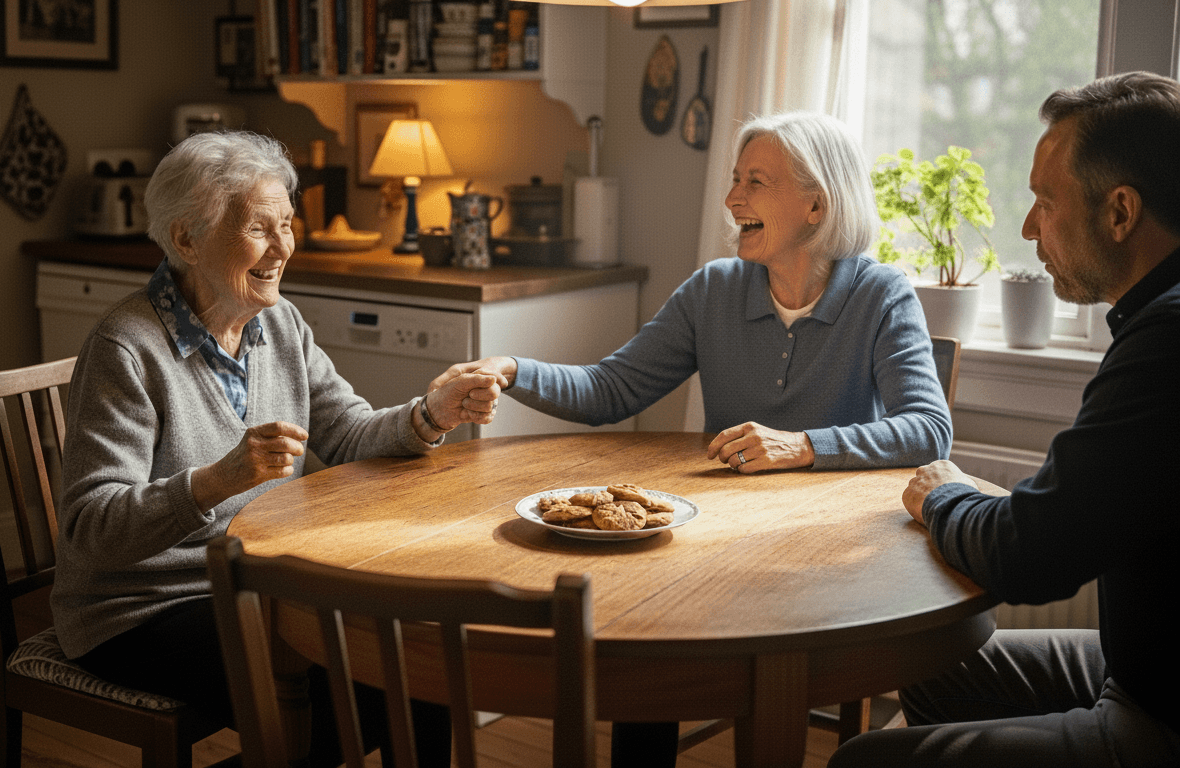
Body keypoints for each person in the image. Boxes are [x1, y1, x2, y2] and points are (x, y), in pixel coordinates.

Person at [434, 111, 953, 766]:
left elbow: (929, 430)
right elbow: (611, 389)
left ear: (816, 204)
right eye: (735, 180)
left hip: (829, 564)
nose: (733, 199)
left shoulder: (881, 294)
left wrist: (803, 445)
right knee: (651, 647)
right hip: (718, 550)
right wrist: (511, 369)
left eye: (755, 182)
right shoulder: (714, 288)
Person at [51, 130, 499, 767]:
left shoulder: (278, 323)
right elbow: (91, 529)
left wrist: (429, 414)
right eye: (261, 229)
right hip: (140, 609)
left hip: (256, 584)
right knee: (341, 690)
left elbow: (346, 434)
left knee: (420, 661)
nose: (284, 247)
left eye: (288, 224)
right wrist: (214, 480)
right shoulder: (125, 349)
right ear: (186, 240)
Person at [829, 71, 1180, 768]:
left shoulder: (1165, 345)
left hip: (1162, 717)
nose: (1028, 228)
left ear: (1120, 212)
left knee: (858, 761)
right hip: (1139, 671)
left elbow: (1031, 553)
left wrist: (941, 496)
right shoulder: (1155, 322)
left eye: (1045, 201)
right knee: (932, 660)